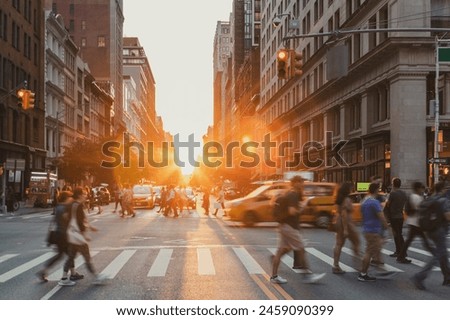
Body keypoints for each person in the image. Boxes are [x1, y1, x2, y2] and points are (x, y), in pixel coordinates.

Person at [270, 176, 325, 284]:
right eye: (301, 182)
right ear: (295, 183)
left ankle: (274, 277)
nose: (303, 184)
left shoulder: (289, 193)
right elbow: (292, 211)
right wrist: (303, 205)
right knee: (301, 249)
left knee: (281, 251)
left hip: (284, 226)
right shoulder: (293, 194)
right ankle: (308, 276)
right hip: (290, 227)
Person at [61, 187, 106, 286]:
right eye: (84, 194)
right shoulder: (78, 205)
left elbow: (66, 217)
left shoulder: (71, 204)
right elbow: (80, 222)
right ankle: (96, 277)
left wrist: (90, 227)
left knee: (71, 256)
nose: (86, 195)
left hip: (72, 234)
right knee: (87, 257)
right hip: (78, 236)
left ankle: (64, 278)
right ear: (80, 195)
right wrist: (84, 235)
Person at [411, 181, 450, 290]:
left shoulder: (430, 198)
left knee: (442, 253)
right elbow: (447, 217)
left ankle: (447, 277)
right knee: (438, 255)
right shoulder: (443, 200)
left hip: (429, 230)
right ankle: (419, 276)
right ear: (443, 189)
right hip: (439, 230)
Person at [36, 191, 82, 283]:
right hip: (63, 235)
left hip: (59, 234)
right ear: (66, 198)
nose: (72, 199)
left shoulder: (58, 207)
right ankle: (67, 276)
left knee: (62, 255)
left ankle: (72, 273)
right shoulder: (63, 208)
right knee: (70, 254)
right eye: (70, 197)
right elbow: (68, 220)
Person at [358, 182, 389, 282]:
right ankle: (363, 274)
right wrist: (386, 226)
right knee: (369, 252)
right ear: (376, 190)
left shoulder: (365, 201)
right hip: (373, 230)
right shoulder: (374, 202)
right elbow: (381, 216)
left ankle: (364, 272)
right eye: (379, 188)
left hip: (367, 229)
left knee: (370, 250)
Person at [397, 182, 434, 263]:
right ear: (418, 188)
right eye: (421, 188)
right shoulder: (417, 197)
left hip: (414, 222)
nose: (422, 189)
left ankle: (400, 257)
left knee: (413, 240)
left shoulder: (412, 196)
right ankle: (436, 255)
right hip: (417, 222)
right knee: (422, 240)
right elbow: (422, 209)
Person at [332, 182, 361, 274]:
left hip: (338, 221)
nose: (352, 189)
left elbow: (337, 212)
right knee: (356, 241)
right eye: (351, 188)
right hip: (347, 223)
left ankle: (335, 265)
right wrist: (345, 229)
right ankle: (359, 264)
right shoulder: (347, 199)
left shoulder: (338, 199)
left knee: (339, 244)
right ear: (347, 189)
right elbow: (344, 214)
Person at [383, 177, 407, 259]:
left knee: (396, 235)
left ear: (393, 184)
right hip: (400, 216)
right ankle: (402, 251)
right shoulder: (404, 193)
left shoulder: (392, 193)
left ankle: (399, 251)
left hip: (394, 217)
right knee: (399, 234)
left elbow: (388, 204)